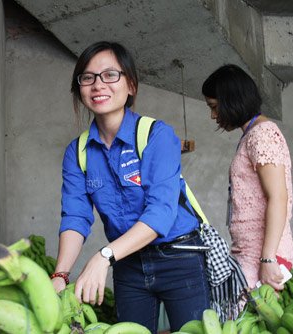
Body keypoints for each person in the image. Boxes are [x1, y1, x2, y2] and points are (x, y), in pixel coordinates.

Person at [50, 41, 210, 333]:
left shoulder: (156, 135)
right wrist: (61, 273)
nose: (98, 85)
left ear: (131, 85)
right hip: (128, 265)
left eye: (110, 75)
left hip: (180, 258)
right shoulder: (78, 152)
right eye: (88, 77)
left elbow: (160, 213)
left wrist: (103, 256)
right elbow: (75, 217)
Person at [201, 64, 293, 291]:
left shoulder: (262, 135)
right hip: (252, 253)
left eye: (215, 107)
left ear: (232, 100)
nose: (213, 115)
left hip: (262, 256)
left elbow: (278, 197)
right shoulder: (251, 135)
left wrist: (268, 259)